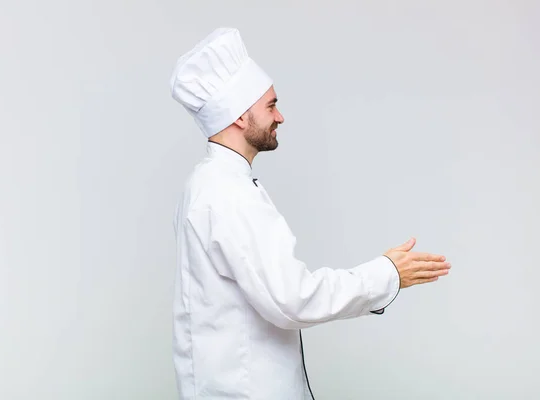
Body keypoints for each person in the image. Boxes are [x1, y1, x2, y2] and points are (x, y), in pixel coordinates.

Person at [169, 27, 451, 400]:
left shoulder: (209, 183)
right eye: (270, 106)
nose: (281, 116)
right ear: (238, 116)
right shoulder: (228, 195)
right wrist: (386, 274)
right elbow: (292, 300)